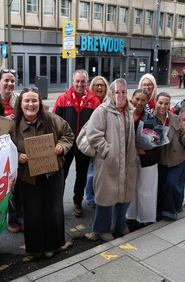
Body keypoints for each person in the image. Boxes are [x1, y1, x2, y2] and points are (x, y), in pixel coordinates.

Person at [9, 87, 74, 258]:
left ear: (39, 102)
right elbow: (2, 147)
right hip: (28, 176)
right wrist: (16, 155)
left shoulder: (52, 119)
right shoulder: (12, 125)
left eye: (34, 100)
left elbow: (68, 134)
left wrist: (62, 146)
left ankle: (52, 245)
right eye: (27, 101)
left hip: (52, 173)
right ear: (20, 104)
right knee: (33, 212)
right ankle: (35, 247)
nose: (31, 104)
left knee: (53, 209)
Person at [86, 78, 137, 242]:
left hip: (127, 161)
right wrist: (108, 152)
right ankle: (102, 228)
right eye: (117, 92)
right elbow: (93, 135)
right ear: (111, 93)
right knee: (106, 197)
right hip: (108, 163)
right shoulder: (102, 110)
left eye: (124, 92)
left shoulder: (129, 110)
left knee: (124, 195)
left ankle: (120, 224)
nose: (121, 95)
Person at [53, 69, 100, 218]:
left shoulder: (94, 101)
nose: (80, 84)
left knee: (81, 176)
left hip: (84, 146)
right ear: (73, 81)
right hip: (65, 146)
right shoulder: (62, 99)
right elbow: (54, 122)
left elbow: (98, 125)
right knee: (61, 175)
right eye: (77, 81)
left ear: (87, 82)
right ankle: (56, 204)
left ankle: (77, 202)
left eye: (83, 81)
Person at [155, 92, 185, 221]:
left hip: (176, 159)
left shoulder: (175, 118)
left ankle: (170, 211)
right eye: (160, 103)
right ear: (156, 103)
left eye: (166, 103)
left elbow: (182, 139)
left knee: (171, 184)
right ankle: (159, 210)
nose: (163, 106)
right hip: (158, 160)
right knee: (160, 186)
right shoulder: (150, 118)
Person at [126, 89, 160, 225]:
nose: (139, 102)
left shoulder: (152, 119)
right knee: (131, 188)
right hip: (130, 158)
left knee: (146, 190)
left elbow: (158, 143)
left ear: (147, 102)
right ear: (132, 98)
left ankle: (146, 218)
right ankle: (131, 216)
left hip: (147, 160)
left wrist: (145, 151)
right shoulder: (124, 116)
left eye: (143, 100)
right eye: (137, 99)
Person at [0, 69, 23, 232]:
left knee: (17, 186)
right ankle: (5, 221)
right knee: (1, 188)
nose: (10, 84)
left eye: (12, 81)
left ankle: (15, 218)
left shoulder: (19, 100)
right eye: (6, 80)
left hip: (17, 149)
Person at [84, 76, 109, 209]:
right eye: (96, 85)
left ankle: (99, 195)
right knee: (91, 172)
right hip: (92, 142)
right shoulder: (88, 101)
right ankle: (90, 197)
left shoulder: (110, 102)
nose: (99, 88)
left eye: (102, 85)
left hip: (106, 142)